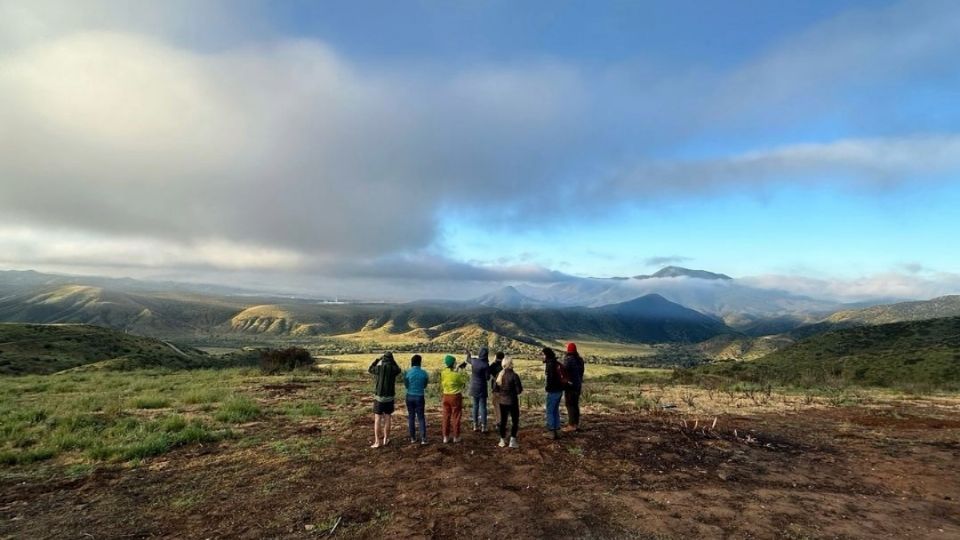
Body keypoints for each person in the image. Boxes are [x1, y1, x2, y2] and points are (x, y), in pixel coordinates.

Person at [368, 352, 402, 448]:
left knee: (377, 419)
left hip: (379, 397)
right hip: (390, 398)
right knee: (388, 418)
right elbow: (399, 369)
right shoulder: (393, 369)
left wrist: (377, 360)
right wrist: (393, 361)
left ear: (383, 359)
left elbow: (370, 369)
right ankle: (385, 440)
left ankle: (377, 442)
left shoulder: (379, 368)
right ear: (391, 359)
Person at [440, 354, 469, 443]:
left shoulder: (443, 372)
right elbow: (463, 383)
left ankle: (445, 437)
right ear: (453, 363)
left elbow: (448, 376)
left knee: (446, 416)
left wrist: (456, 370)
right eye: (455, 362)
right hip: (455, 396)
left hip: (445, 396)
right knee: (456, 416)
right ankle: (456, 437)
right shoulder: (457, 375)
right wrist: (461, 371)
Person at [495, 357, 523, 448]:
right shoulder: (514, 376)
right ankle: (512, 441)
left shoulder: (500, 375)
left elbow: (495, 389)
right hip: (512, 401)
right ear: (511, 364)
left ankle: (502, 440)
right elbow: (519, 390)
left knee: (503, 421)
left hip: (502, 401)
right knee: (515, 421)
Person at [404, 354, 429, 445]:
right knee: (421, 417)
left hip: (409, 396)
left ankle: (413, 438)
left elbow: (406, 385)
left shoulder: (408, 372)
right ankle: (423, 438)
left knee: (411, 417)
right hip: (420, 396)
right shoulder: (424, 373)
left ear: (412, 362)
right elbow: (425, 385)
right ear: (420, 362)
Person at [466, 347, 491, 432]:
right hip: (482, 387)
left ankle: (475, 425)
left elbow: (468, 359)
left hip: (473, 386)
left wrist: (468, 353)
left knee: (475, 406)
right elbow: (487, 378)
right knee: (483, 407)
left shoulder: (474, 361)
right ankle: (484, 426)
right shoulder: (486, 364)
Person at [542, 347, 565, 439]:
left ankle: (551, 432)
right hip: (559, 390)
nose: (541, 356)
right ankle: (558, 430)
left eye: (542, 354)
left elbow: (551, 379)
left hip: (553, 391)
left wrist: (548, 388)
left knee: (550, 411)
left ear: (546, 355)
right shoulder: (555, 363)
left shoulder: (550, 364)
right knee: (555, 410)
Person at [562, 343, 585, 432]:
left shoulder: (568, 360)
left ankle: (571, 425)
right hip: (578, 385)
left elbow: (564, 371)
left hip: (570, 386)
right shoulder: (580, 360)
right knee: (575, 404)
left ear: (568, 350)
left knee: (570, 404)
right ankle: (576, 424)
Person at [489, 351, 505, 425]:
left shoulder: (493, 365)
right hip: (504, 389)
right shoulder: (504, 365)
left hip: (496, 389)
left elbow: (488, 375)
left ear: (496, 356)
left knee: (496, 405)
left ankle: (499, 421)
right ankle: (502, 420)